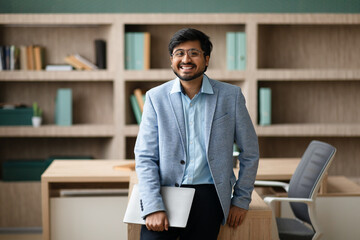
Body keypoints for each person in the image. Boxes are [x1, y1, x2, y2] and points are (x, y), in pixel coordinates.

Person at [134, 28, 259, 240]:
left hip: (209, 196)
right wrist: (153, 206)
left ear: (206, 59)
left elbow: (250, 152)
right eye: (179, 53)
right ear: (171, 60)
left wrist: (241, 199)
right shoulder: (156, 98)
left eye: (194, 53)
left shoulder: (231, 96)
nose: (186, 59)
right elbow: (145, 157)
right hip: (167, 194)